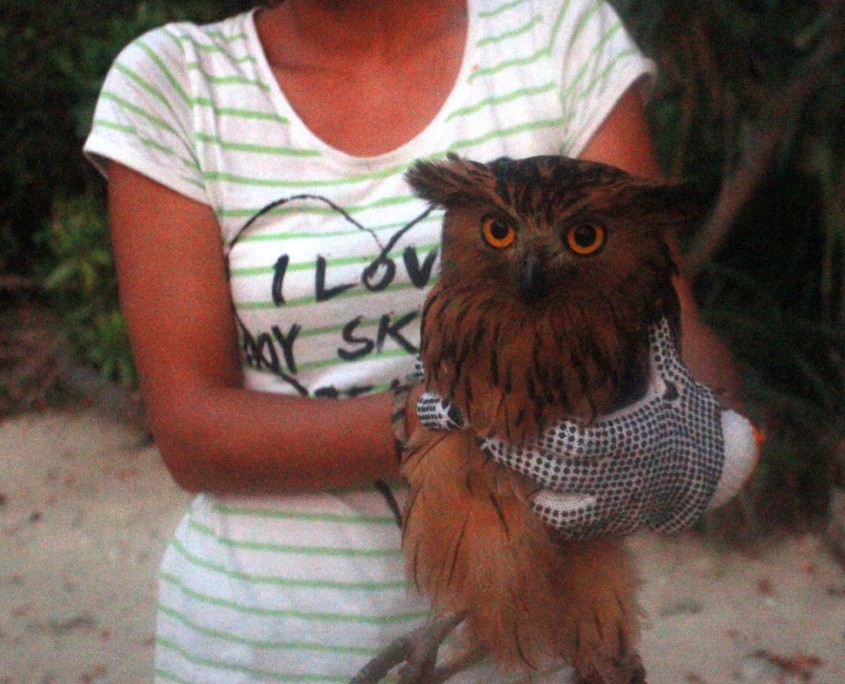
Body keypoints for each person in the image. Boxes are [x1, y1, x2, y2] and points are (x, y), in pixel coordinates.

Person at [84, 0, 741, 681]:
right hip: (259, 644)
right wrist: (446, 421)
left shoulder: (556, 32)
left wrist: (696, 428)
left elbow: (672, 328)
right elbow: (191, 431)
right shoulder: (176, 79)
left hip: (539, 632)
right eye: (497, 232)